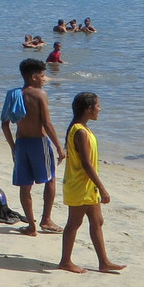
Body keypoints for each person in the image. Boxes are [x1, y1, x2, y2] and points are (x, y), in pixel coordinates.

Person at [58, 93, 125, 274]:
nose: (99, 109)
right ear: (88, 109)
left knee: (97, 221)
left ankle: (104, 262)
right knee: (74, 223)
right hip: (80, 185)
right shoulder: (79, 131)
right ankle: (65, 261)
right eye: (97, 106)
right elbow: (87, 164)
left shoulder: (82, 128)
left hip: (87, 185)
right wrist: (103, 188)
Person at [0, 58, 65, 236]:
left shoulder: (13, 94)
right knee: (50, 179)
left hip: (21, 143)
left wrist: (12, 146)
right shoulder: (39, 94)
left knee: (25, 186)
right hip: (39, 142)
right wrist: (59, 147)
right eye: (43, 75)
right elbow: (47, 123)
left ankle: (31, 226)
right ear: (34, 77)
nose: (44, 79)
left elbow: (4, 124)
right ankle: (46, 219)